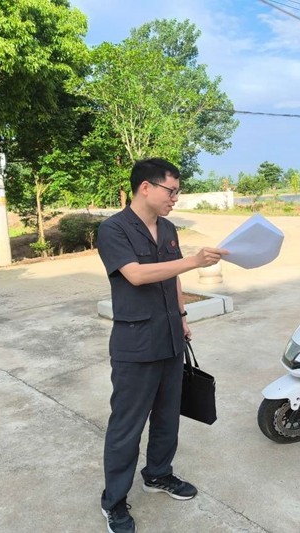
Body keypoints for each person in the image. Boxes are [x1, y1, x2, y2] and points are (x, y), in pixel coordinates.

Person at [96, 158, 228, 533]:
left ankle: (158, 474)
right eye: (171, 191)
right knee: (127, 427)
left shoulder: (168, 228)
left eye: (177, 192)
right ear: (146, 187)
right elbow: (136, 275)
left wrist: (182, 316)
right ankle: (114, 502)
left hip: (170, 338)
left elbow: (172, 278)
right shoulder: (113, 229)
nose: (175, 198)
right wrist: (193, 261)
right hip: (135, 345)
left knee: (168, 416)